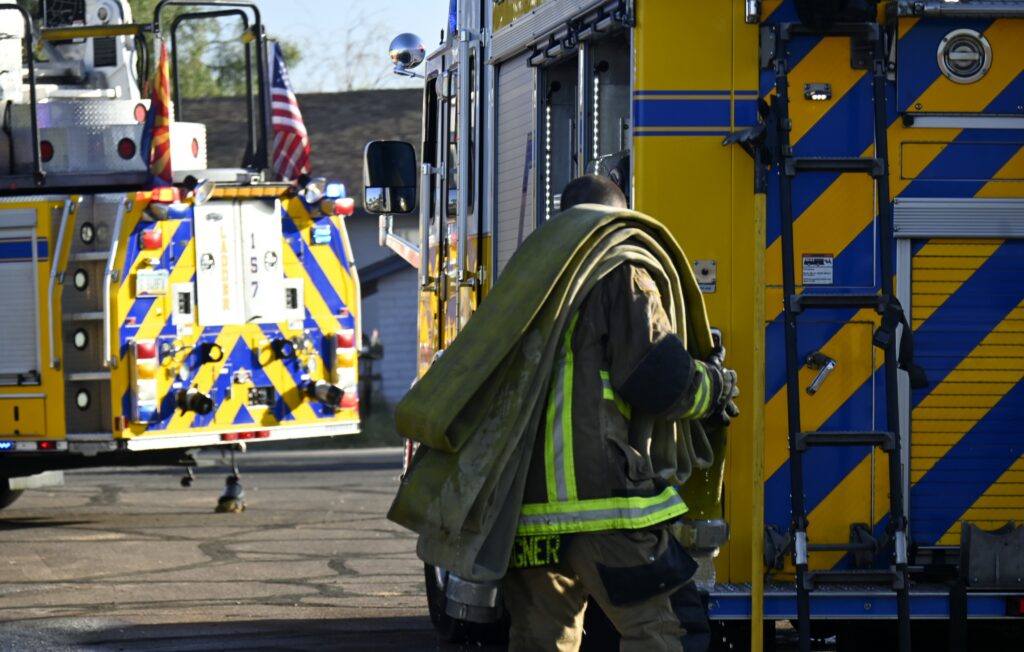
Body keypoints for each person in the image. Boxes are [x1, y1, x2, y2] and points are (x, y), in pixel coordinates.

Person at [501, 175, 738, 652]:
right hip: (603, 503)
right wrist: (715, 387)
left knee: (541, 642)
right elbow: (657, 378)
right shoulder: (621, 268)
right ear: (617, 220)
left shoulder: (525, 278)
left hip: (527, 511)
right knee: (667, 629)